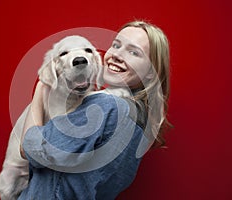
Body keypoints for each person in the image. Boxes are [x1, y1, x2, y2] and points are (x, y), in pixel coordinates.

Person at [18, 20, 171, 200]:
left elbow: (30, 149)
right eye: (116, 45)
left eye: (133, 52)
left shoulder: (106, 106)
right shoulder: (140, 118)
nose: (117, 55)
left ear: (151, 72)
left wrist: (41, 89)